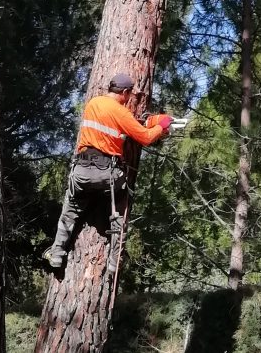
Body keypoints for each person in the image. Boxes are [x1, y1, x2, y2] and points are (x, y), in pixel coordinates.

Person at [42, 72, 173, 270]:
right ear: (125, 92)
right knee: (119, 214)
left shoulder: (93, 103)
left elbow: (123, 123)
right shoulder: (121, 112)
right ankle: (115, 262)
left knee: (69, 212)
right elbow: (145, 137)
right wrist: (161, 126)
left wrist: (150, 121)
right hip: (108, 175)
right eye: (129, 94)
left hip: (82, 172)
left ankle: (57, 254)